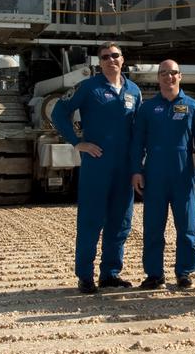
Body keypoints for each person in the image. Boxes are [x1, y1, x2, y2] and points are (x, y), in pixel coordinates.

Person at [51, 42, 142, 294]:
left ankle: (110, 274)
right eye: (105, 57)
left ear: (123, 59)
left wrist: (137, 167)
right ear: (99, 62)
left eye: (115, 56)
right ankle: (85, 276)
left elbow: (137, 132)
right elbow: (59, 112)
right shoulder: (88, 88)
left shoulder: (134, 91)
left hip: (124, 167)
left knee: (120, 221)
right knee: (91, 220)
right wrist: (77, 142)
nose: (111, 60)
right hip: (98, 164)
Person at [130, 60, 195, 290]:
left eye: (172, 73)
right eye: (163, 73)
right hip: (155, 176)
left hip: (183, 175)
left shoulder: (192, 107)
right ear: (158, 78)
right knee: (152, 227)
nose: (168, 77)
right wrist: (136, 171)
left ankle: (184, 272)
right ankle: (154, 274)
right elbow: (137, 143)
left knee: (187, 227)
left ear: (180, 76)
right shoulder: (147, 109)